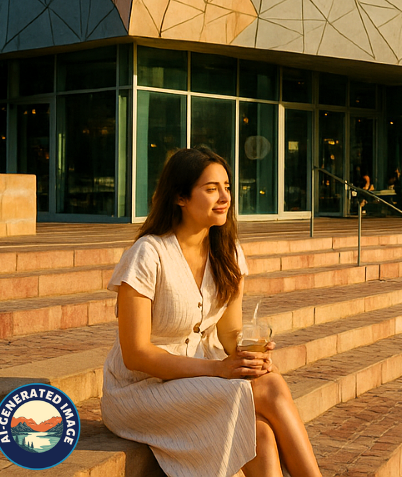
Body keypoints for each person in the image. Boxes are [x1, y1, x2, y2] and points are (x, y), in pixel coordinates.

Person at [102, 147, 322, 477]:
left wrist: (248, 356)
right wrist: (217, 369)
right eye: (210, 189)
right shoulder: (148, 254)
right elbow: (136, 355)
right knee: (269, 390)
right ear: (180, 196)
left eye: (227, 187)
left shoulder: (227, 251)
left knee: (260, 426)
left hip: (201, 378)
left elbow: (230, 332)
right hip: (139, 391)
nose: (224, 197)